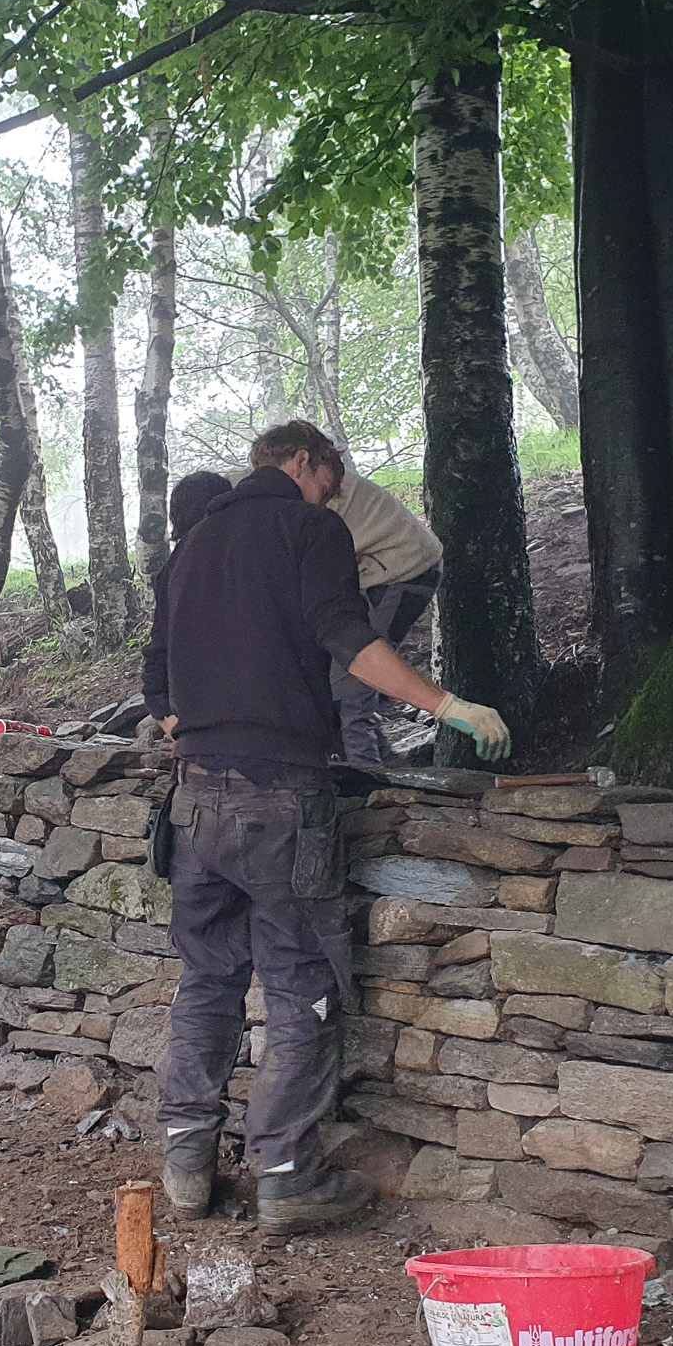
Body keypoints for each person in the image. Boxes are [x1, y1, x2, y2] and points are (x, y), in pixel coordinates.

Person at [142, 419, 510, 1233]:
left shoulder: (189, 550)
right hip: (281, 800)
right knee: (299, 983)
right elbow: (350, 639)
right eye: (329, 482)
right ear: (304, 462)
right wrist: (447, 704)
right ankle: (285, 1177)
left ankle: (187, 1165)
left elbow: (157, 675)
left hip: (193, 800)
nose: (331, 497)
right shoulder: (309, 531)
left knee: (207, 979)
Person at [291, 430, 444, 762]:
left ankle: (364, 774)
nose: (327, 494)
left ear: (302, 461)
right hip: (371, 566)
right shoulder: (272, 491)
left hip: (400, 568)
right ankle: (383, 767)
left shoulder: (302, 493)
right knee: (340, 675)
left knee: (349, 672)